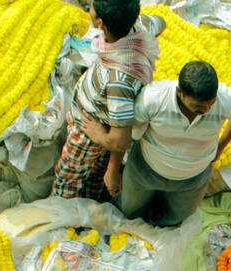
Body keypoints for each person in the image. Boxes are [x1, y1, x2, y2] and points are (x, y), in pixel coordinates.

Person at [117, 60, 231, 226]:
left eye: (211, 104)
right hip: (145, 170)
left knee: (175, 221)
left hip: (193, 179)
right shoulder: (153, 98)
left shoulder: (227, 99)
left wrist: (221, 146)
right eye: (197, 107)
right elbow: (130, 135)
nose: (206, 111)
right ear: (179, 92)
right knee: (129, 214)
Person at [52, 0, 165, 202]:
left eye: (92, 7)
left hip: (90, 131)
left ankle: (65, 210)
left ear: (100, 22)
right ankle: (91, 202)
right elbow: (160, 22)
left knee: (68, 178)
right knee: (96, 171)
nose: (89, 7)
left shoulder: (118, 80)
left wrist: (99, 136)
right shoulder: (137, 27)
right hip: (102, 117)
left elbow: (120, 139)